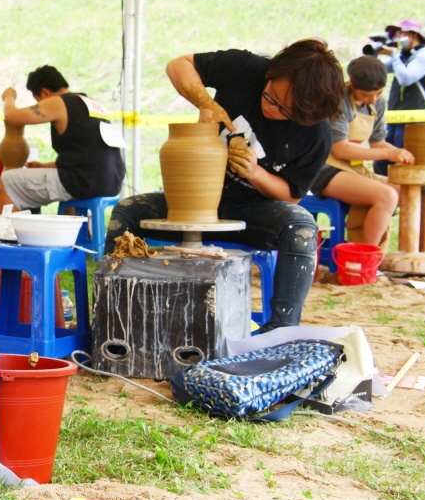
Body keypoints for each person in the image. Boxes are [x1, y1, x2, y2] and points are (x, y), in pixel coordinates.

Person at [103, 39, 345, 333]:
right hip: (191, 205)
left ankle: (282, 329)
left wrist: (255, 173)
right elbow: (178, 65)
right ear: (273, 73)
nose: (274, 110)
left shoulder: (315, 134)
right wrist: (205, 102)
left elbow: (290, 197)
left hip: (252, 210)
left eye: (286, 111)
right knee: (127, 212)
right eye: (272, 98)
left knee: (302, 228)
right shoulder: (247, 69)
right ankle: (114, 315)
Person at [309, 56, 413, 248]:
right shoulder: (338, 100)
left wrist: (403, 154)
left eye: (378, 93)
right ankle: (366, 257)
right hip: (322, 167)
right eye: (366, 95)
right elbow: (341, 150)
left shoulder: (378, 103)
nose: (372, 99)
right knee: (386, 195)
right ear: (352, 85)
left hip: (351, 168)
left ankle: (382, 255)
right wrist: (389, 155)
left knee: (405, 191)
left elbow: (378, 143)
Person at [0, 65, 124, 214]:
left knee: (8, 181)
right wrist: (44, 166)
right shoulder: (92, 103)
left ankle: (5, 236)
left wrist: (9, 97)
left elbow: (12, 117)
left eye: (38, 101)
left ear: (45, 92)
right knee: (67, 198)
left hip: (83, 181)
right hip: (111, 180)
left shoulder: (58, 101)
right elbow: (88, 155)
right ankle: (76, 235)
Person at [375, 18, 425, 175]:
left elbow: (407, 77)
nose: (397, 37)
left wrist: (394, 56)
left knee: (405, 163)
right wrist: (375, 53)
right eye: (395, 34)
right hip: (396, 118)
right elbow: (376, 71)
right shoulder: (402, 56)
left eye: (401, 33)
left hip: (415, 121)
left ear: (413, 35)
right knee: (383, 162)